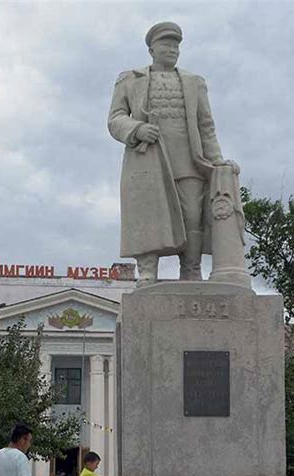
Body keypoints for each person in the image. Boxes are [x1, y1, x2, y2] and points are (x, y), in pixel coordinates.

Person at [108, 21, 238, 285]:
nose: (173, 50)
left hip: (188, 159)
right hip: (146, 158)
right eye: (167, 44)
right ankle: (147, 271)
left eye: (176, 45)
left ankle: (191, 269)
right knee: (147, 214)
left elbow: (205, 126)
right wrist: (136, 129)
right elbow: (115, 118)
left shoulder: (194, 82)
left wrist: (216, 160)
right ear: (152, 49)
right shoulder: (130, 79)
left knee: (192, 214)